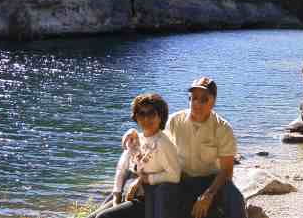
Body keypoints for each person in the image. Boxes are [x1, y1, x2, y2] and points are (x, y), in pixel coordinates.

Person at [124, 77, 246, 218]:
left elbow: (226, 171)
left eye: (203, 99)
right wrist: (134, 134)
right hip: (181, 179)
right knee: (163, 191)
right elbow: (153, 140)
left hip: (210, 181)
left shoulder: (223, 128)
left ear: (213, 101)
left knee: (234, 196)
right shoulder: (174, 121)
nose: (197, 103)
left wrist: (208, 195)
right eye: (193, 98)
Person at [89, 93, 181, 218]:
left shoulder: (163, 144)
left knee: (104, 217)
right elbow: (122, 169)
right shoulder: (137, 138)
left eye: (151, 114)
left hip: (147, 200)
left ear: (160, 116)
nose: (146, 119)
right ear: (136, 117)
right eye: (141, 114)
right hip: (129, 194)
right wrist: (116, 196)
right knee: (92, 217)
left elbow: (174, 175)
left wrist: (145, 179)